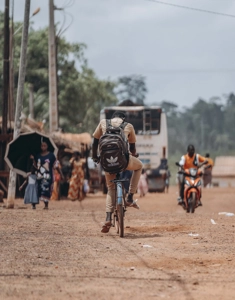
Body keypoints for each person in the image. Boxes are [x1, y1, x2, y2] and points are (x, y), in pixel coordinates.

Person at [92, 111, 143, 233]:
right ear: (123, 119)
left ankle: (108, 217)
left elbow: (94, 142)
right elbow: (132, 148)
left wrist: (95, 157)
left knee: (111, 188)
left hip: (107, 163)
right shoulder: (128, 126)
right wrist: (134, 154)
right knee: (139, 166)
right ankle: (130, 196)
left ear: (113, 117)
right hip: (123, 161)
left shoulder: (103, 123)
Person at [34, 140, 57, 209]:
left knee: (46, 188)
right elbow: (35, 165)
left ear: (47, 146)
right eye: (42, 146)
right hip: (39, 175)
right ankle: (34, 203)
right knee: (39, 188)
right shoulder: (37, 155)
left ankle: (46, 204)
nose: (43, 147)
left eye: (45, 146)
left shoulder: (51, 155)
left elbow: (55, 164)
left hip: (48, 175)